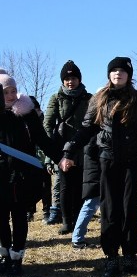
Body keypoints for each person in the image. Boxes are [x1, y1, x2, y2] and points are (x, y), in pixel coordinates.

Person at [60, 57, 137, 277]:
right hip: (108, 159)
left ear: (128, 75)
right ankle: (111, 257)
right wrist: (68, 151)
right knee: (110, 210)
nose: (118, 74)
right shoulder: (99, 99)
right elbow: (86, 128)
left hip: (133, 161)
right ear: (109, 74)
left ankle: (129, 255)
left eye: (122, 71)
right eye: (114, 71)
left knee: (130, 208)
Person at [0, 76, 61, 275]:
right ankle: (4, 255)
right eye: (5, 91)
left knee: (19, 216)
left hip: (22, 175)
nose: (10, 95)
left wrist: (61, 158)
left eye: (13, 91)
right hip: (0, 174)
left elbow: (43, 140)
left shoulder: (27, 113)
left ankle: (17, 256)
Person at [43, 60, 92, 235]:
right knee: (64, 185)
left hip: (83, 147)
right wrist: (50, 154)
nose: (70, 81)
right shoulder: (56, 98)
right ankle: (66, 221)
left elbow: (93, 123)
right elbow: (47, 125)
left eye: (73, 78)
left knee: (80, 186)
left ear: (79, 79)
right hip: (62, 149)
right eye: (67, 78)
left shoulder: (89, 98)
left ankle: (77, 220)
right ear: (62, 80)